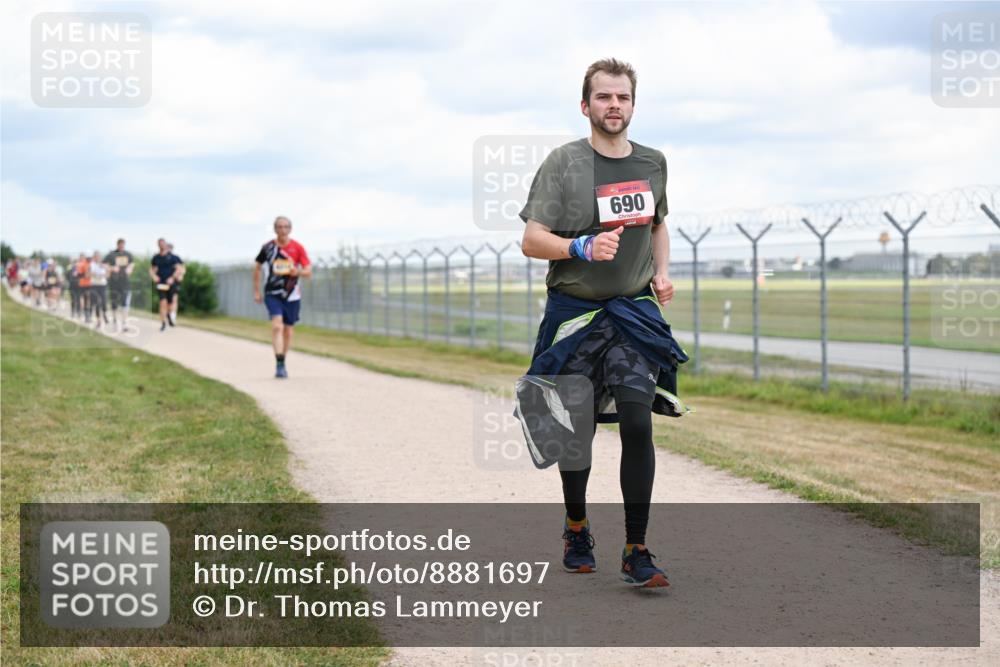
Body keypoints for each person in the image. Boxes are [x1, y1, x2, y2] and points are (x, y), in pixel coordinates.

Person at [515, 58, 688, 589]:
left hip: (632, 313)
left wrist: (660, 272)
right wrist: (579, 246)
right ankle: (577, 527)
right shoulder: (564, 164)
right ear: (585, 105)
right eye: (604, 97)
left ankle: (637, 548)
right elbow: (530, 240)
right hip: (576, 315)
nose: (614, 106)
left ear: (633, 104)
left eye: (623, 98)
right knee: (576, 433)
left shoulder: (654, 163)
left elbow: (657, 224)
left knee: (639, 421)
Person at [253, 216, 311, 378]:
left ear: (290, 229)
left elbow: (308, 271)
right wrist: (256, 291)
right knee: (277, 326)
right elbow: (257, 268)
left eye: (285, 227)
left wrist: (297, 272)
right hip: (272, 293)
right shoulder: (268, 248)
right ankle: (278, 362)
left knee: (288, 330)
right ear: (275, 229)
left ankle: (283, 359)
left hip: (291, 294)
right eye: (279, 227)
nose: (282, 230)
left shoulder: (298, 248)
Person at [150, 238, 184, 332]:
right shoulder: (156, 258)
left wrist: (172, 278)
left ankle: (169, 315)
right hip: (161, 283)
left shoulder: (173, 257)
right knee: (162, 303)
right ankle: (163, 323)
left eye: (163, 244)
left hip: (171, 283)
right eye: (159, 244)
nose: (161, 246)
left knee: (171, 302)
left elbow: (179, 269)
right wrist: (154, 276)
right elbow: (152, 270)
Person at [105, 238, 135, 331]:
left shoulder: (128, 254)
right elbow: (104, 264)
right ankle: (114, 320)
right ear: (117, 245)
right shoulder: (112, 254)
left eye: (123, 244)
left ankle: (124, 323)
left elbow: (132, 264)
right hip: (114, 282)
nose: (121, 246)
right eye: (120, 244)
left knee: (124, 303)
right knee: (114, 303)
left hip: (125, 282)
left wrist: (130, 269)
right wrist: (111, 268)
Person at [89, 251, 110, 327]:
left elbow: (108, 275)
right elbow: (88, 274)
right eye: (96, 256)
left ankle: (104, 313)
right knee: (97, 302)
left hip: (102, 285)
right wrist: (95, 274)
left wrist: (105, 271)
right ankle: (98, 320)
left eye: (99, 256)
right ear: (94, 257)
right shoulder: (91, 264)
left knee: (104, 301)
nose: (97, 258)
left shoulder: (104, 265)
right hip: (94, 285)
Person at [166, 243, 183, 326]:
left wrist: (180, 275)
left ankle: (173, 316)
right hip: (164, 282)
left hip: (174, 282)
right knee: (165, 300)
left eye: (169, 248)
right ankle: (167, 314)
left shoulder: (176, 258)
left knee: (174, 299)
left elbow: (182, 268)